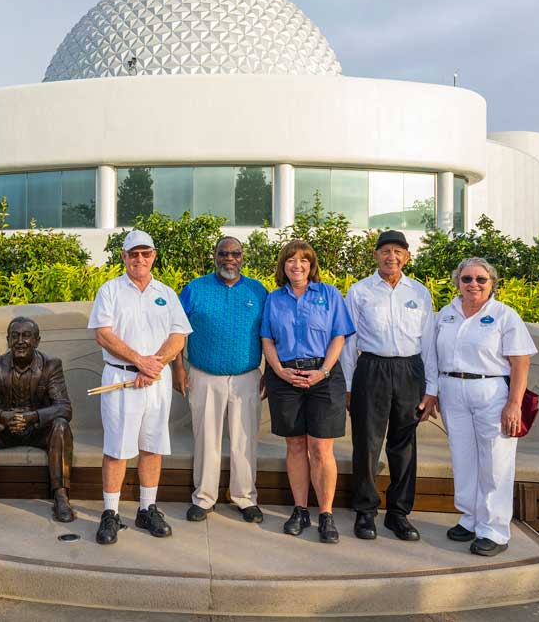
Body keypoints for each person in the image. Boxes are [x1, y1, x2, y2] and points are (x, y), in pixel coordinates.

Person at [87, 230, 192, 545]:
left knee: (152, 446)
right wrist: (138, 361)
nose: (140, 259)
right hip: (121, 380)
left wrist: (154, 364)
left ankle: (147, 508)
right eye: (134, 254)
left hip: (154, 382)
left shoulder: (166, 293)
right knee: (117, 449)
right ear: (124, 257)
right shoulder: (110, 291)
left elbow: (179, 336)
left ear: (153, 256)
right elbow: (103, 335)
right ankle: (111, 513)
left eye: (146, 254)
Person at [341, 230, 439, 542]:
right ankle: (366, 511)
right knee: (367, 444)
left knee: (404, 445)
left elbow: (429, 343)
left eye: (398, 251)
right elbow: (348, 342)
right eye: (385, 251)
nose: (391, 256)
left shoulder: (419, 293)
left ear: (407, 257)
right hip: (371, 368)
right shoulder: (359, 291)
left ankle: (398, 513)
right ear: (375, 255)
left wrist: (431, 388)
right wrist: (347, 385)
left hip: (410, 370)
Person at [435, 257, 536, 556]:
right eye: (467, 279)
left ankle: (494, 529)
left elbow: (521, 361)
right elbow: (432, 355)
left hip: (491, 391)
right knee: (463, 459)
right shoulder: (446, 314)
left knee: (495, 462)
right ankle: (470, 519)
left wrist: (514, 404)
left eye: (481, 279)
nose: (473, 284)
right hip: (452, 390)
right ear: (458, 283)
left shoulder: (505, 315)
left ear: (492, 283)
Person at [261, 240, 354, 544]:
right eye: (290, 260)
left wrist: (323, 372)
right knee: (296, 447)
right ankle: (300, 510)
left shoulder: (329, 295)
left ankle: (325, 515)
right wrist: (278, 370)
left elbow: (339, 336)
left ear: (311, 265)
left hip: (323, 377)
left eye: (303, 260)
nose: (296, 265)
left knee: (320, 448)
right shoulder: (274, 299)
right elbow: (268, 341)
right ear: (283, 265)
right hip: (285, 376)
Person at [174, 236, 268, 523]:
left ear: (243, 257)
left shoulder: (259, 290)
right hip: (204, 375)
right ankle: (204, 498)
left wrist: (271, 374)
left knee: (245, 439)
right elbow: (176, 332)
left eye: (235, 253)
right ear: (214, 256)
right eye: (223, 253)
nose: (230, 258)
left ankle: (245, 498)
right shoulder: (194, 289)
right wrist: (178, 369)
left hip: (247, 377)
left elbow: (271, 335)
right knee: (206, 438)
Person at [0, 316, 75, 524]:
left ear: (37, 340)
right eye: (15, 336)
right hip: (6, 430)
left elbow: (64, 407)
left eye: (27, 336)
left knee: (61, 425)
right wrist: (3, 416)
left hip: (38, 430)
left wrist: (33, 417)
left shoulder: (51, 366)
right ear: (8, 340)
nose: (20, 341)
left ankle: (61, 495)